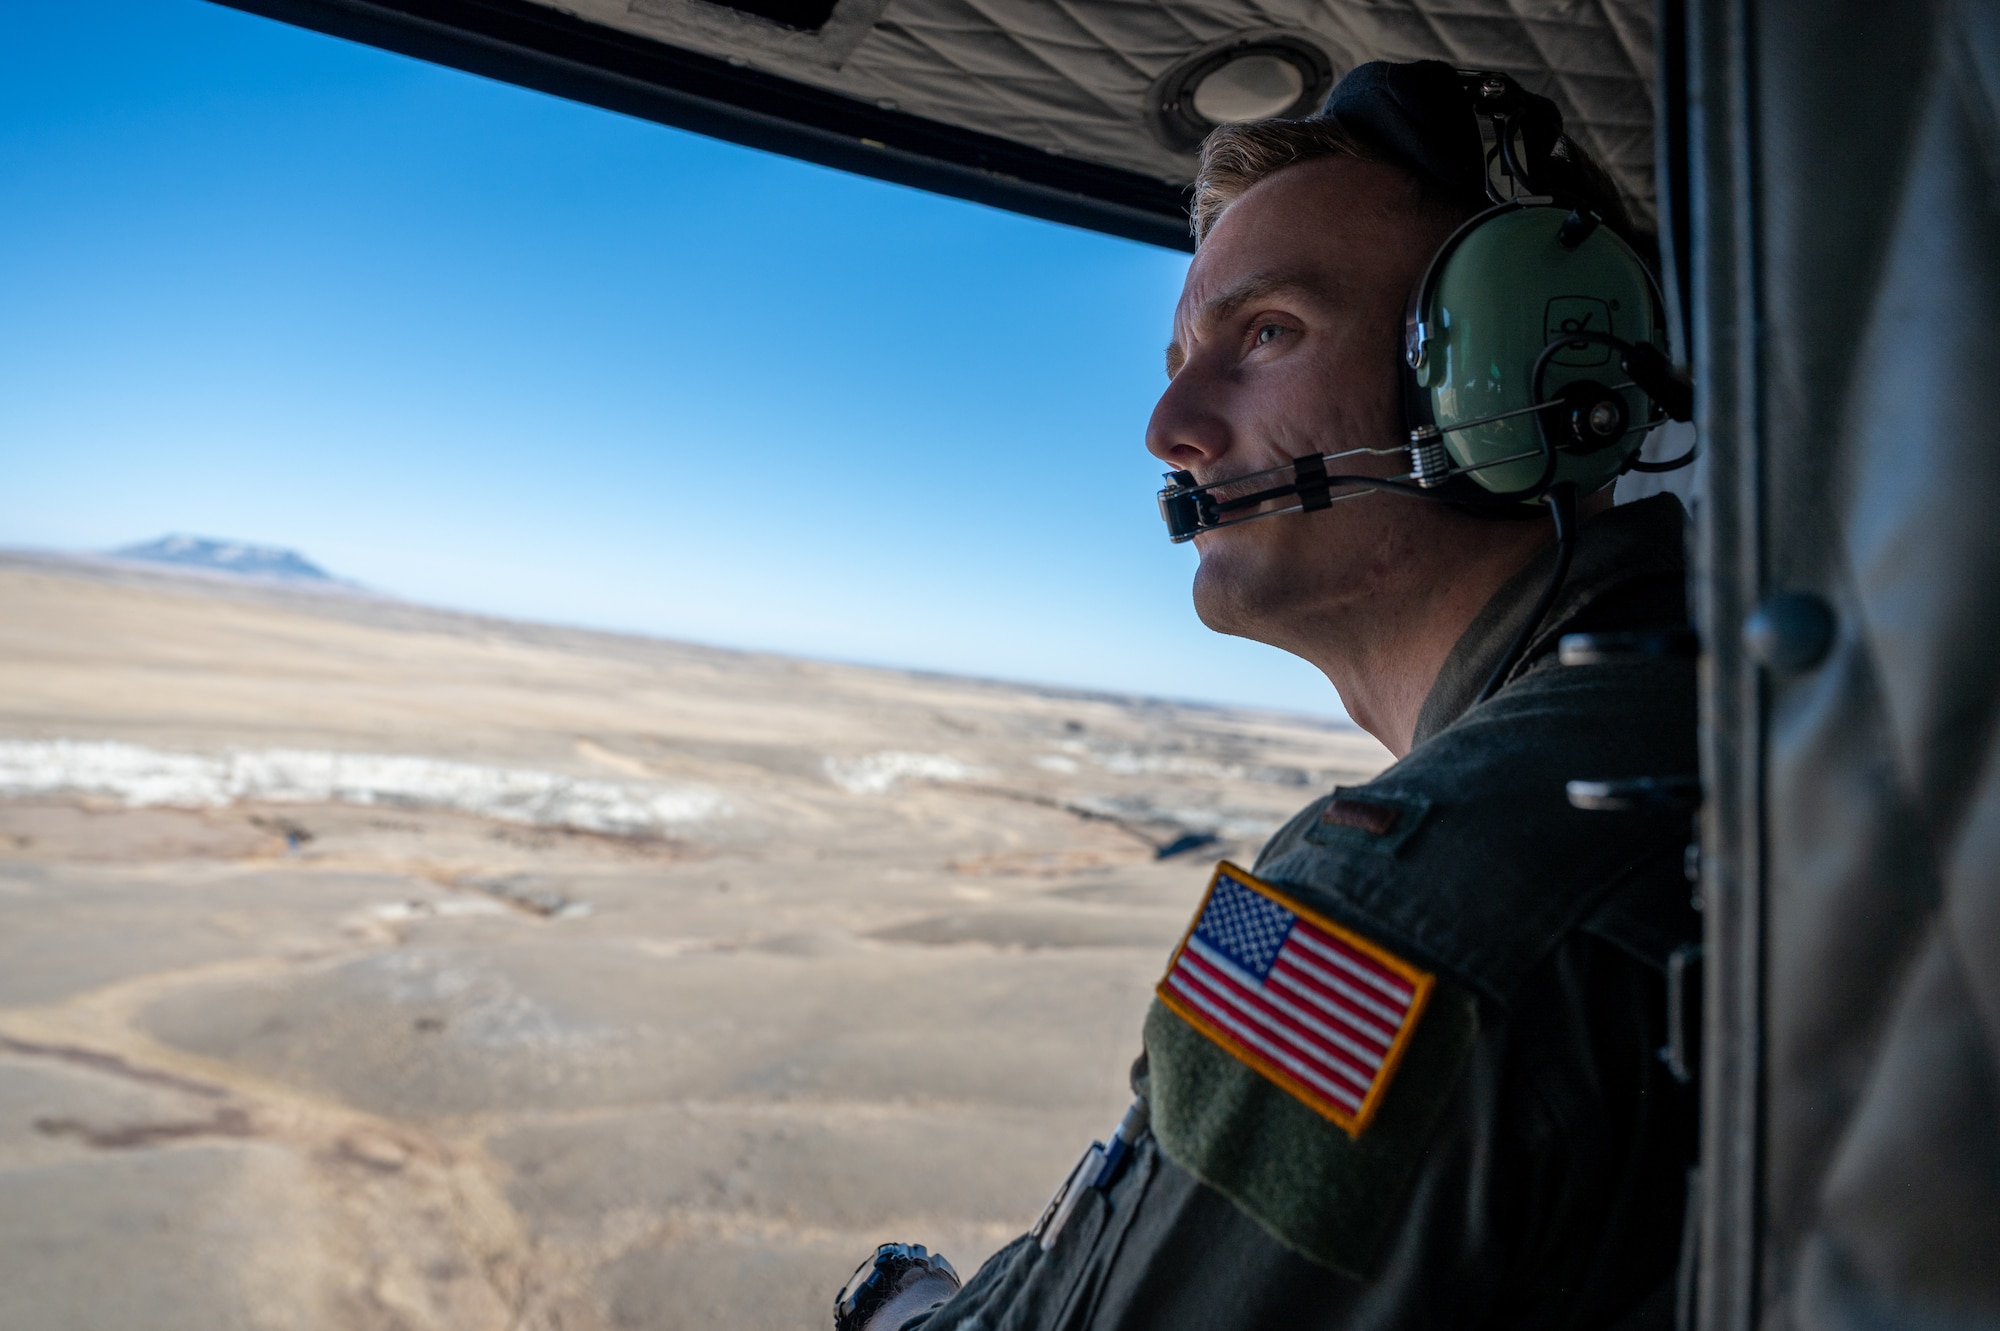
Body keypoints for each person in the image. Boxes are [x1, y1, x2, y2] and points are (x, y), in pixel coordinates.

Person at [833, 59, 1699, 1331]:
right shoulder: (1704, 717)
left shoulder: (1373, 911)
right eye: (1181, 356)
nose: (1167, 424)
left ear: (1513, 376)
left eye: (1267, 333)